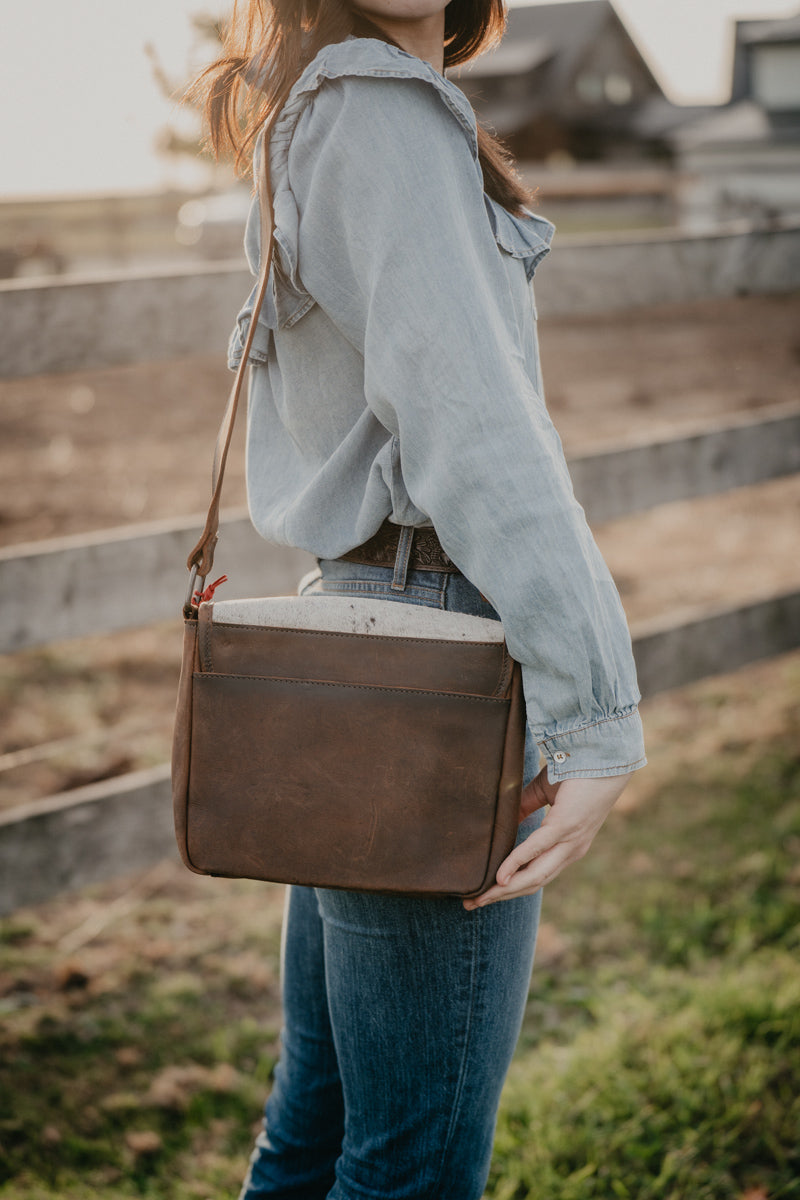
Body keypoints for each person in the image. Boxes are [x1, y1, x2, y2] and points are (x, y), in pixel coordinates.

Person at [195, 2, 647, 1196]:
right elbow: (475, 432)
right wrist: (596, 717)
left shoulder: (319, 106)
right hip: (431, 650)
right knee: (411, 1163)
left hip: (364, 631)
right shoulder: (375, 115)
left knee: (319, 1122)